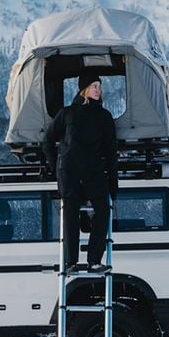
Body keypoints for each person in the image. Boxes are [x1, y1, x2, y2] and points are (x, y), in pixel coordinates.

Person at [45, 74, 117, 272]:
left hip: (94, 173)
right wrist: (56, 167)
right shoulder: (67, 113)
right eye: (94, 85)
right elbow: (48, 141)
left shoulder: (104, 117)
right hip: (70, 173)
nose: (98, 90)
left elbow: (111, 152)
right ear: (83, 88)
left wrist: (113, 181)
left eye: (99, 87)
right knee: (70, 214)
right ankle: (71, 262)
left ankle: (94, 260)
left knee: (103, 211)